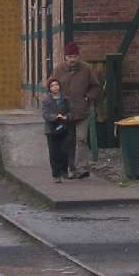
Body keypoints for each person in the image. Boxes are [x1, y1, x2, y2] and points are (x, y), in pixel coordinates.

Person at [53, 41, 101, 179]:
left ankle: (82, 168)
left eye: (75, 56)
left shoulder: (87, 69)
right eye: (69, 57)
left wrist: (88, 97)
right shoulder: (58, 70)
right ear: (65, 57)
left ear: (78, 56)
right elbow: (52, 86)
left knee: (81, 139)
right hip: (65, 112)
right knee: (68, 141)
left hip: (82, 110)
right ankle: (70, 168)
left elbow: (96, 87)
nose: (72, 59)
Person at [39, 76, 71, 184]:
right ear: (49, 88)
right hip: (51, 129)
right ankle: (56, 175)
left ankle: (64, 170)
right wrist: (55, 117)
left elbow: (71, 112)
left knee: (65, 150)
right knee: (54, 153)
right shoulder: (46, 100)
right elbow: (45, 114)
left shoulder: (65, 99)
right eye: (52, 85)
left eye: (57, 85)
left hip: (64, 127)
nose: (55, 87)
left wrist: (66, 117)